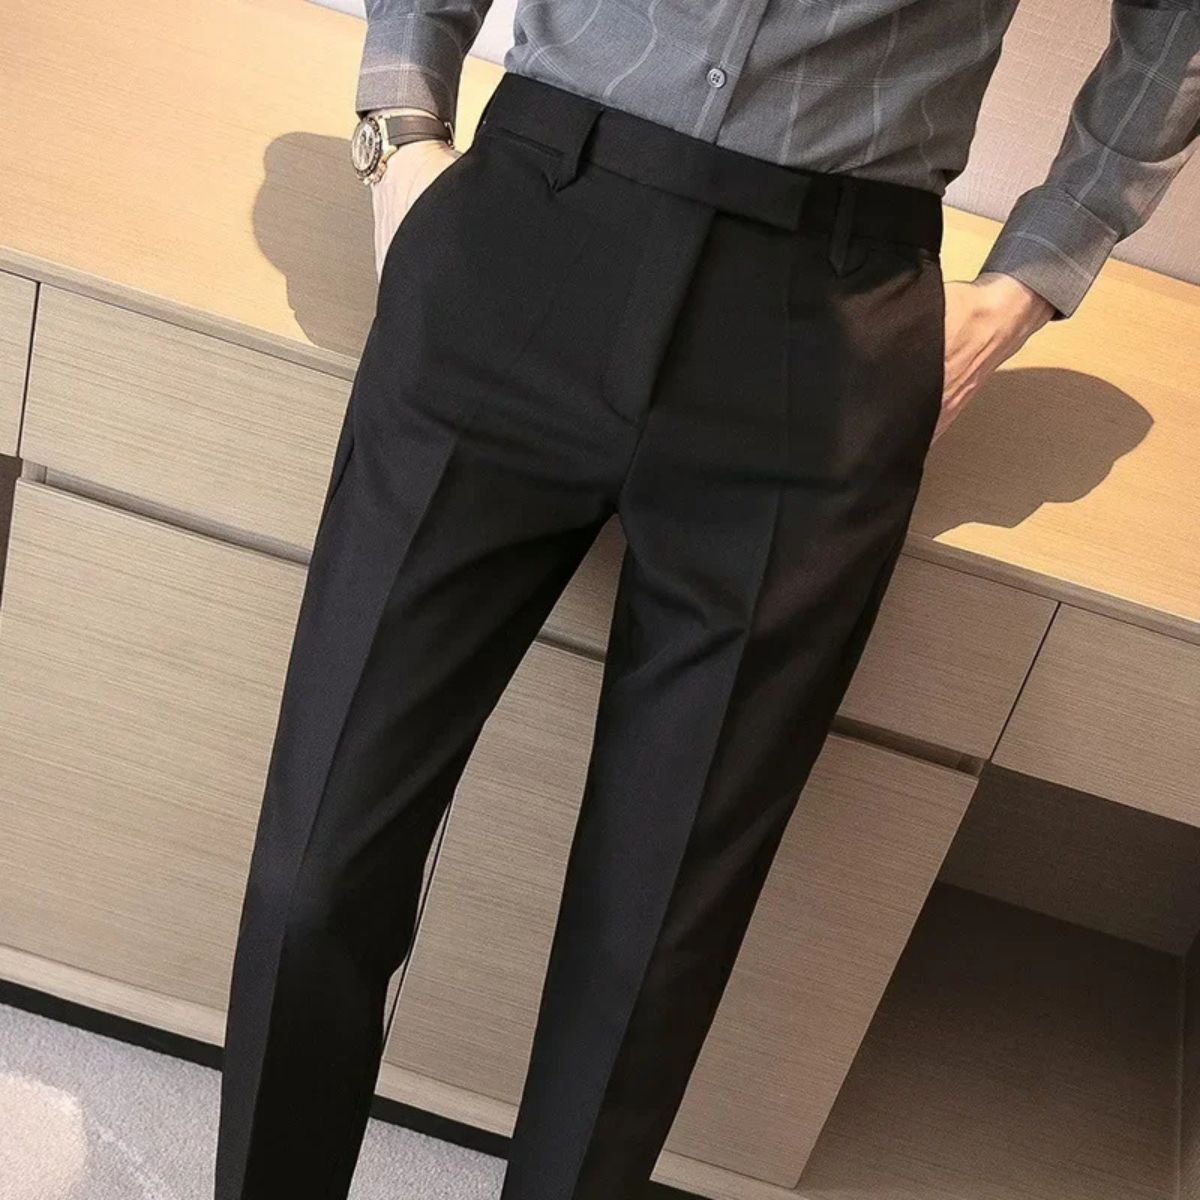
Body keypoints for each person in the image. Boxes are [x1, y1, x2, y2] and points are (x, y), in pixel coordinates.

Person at [214, 4, 1200, 1198]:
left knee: (650, 946)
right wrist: (399, 123)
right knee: (315, 869)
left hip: (826, 316)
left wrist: (1037, 269)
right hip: (530, 222)